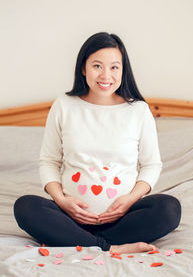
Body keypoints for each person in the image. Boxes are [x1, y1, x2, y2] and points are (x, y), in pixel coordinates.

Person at [14, 32, 181, 254]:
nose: (106, 75)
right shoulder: (64, 105)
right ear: (83, 68)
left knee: (169, 208)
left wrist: (130, 200)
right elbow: (49, 161)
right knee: (25, 207)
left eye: (114, 67)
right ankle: (109, 246)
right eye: (97, 66)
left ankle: (82, 241)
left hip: (123, 219)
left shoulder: (138, 110)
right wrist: (62, 201)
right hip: (70, 217)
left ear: (123, 70)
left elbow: (151, 165)